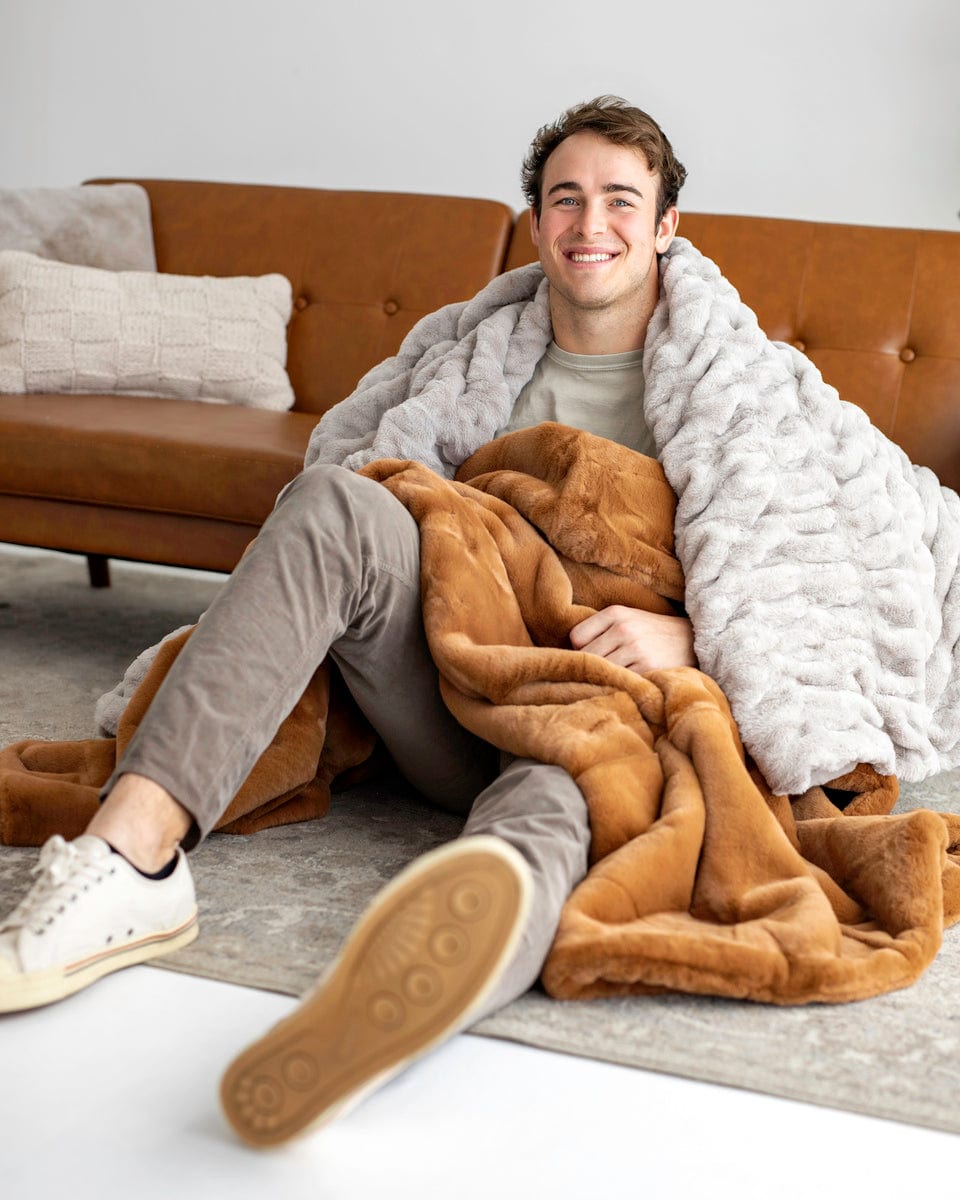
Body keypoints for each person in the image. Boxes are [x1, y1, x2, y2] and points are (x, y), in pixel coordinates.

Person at [0, 96, 697, 1146]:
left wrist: (689, 637)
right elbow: (380, 480)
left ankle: (426, 978)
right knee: (335, 501)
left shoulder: (740, 393)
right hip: (450, 673)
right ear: (537, 219)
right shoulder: (461, 356)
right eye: (564, 199)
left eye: (618, 200)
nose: (588, 223)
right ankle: (130, 864)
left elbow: (825, 574)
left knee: (561, 801)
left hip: (594, 705)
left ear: (666, 226)